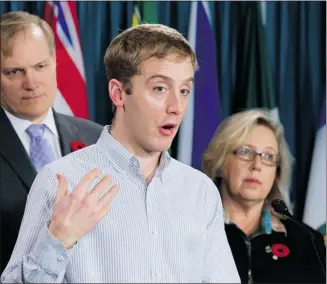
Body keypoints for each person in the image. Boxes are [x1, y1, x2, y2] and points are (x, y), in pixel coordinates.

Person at [1, 23, 241, 283]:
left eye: (184, 90)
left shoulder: (200, 192)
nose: (176, 106)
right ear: (118, 93)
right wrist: (57, 240)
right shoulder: (60, 179)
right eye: (160, 88)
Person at [0, 11, 103, 272]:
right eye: (14, 71)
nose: (31, 82)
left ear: (55, 63)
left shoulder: (97, 139)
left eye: (40, 66)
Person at [202, 109, 326, 283]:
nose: (257, 165)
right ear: (220, 164)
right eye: (245, 152)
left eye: (268, 156)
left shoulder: (308, 242)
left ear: (276, 172)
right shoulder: (189, 230)